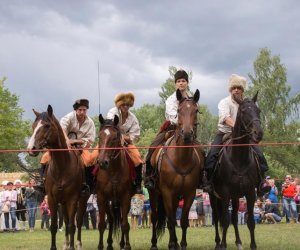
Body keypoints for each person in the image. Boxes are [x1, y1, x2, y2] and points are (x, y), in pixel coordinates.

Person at [204, 74, 269, 195]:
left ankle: (261, 183)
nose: (236, 90)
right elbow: (225, 118)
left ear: (242, 90)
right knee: (211, 155)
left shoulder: (248, 104)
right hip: (225, 133)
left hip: (244, 136)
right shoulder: (224, 102)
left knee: (260, 155)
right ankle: (209, 182)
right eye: (234, 88)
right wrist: (237, 127)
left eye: (239, 88)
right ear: (230, 90)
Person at [144, 69, 194, 189]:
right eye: (178, 81)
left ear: (187, 83)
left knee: (201, 152)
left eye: (183, 81)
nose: (181, 83)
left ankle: (202, 178)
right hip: (171, 128)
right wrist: (184, 122)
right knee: (152, 148)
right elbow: (172, 116)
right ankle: (150, 177)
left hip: (188, 130)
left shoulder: (191, 98)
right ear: (175, 84)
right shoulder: (171, 99)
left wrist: (189, 124)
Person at [39, 98, 96, 195]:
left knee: (89, 159)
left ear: (87, 110)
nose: (82, 112)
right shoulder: (68, 118)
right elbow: (61, 131)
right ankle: (42, 182)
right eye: (80, 110)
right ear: (76, 110)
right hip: (64, 145)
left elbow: (90, 139)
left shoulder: (90, 122)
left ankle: (87, 184)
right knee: (45, 157)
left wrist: (75, 141)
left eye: (84, 110)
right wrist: (67, 141)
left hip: (81, 146)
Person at [106, 92, 144, 194]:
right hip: (110, 140)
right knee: (95, 155)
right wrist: (119, 136)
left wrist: (126, 138)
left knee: (137, 157)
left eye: (128, 105)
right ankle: (92, 183)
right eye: (123, 104)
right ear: (119, 105)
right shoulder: (112, 112)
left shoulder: (133, 118)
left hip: (126, 143)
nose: (125, 107)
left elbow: (135, 134)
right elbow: (110, 126)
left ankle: (138, 184)